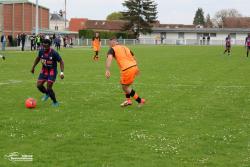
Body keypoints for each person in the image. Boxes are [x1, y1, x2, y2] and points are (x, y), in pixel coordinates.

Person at [105, 37, 145, 107]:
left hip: (127, 69)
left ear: (114, 42)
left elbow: (109, 58)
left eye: (110, 42)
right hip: (133, 66)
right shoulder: (125, 47)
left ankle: (140, 101)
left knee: (125, 87)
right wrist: (136, 67)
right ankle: (128, 100)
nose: (109, 44)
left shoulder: (112, 49)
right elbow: (134, 57)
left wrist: (107, 70)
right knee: (124, 84)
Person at [31, 39, 64, 107]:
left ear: (49, 45)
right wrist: (33, 67)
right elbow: (38, 58)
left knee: (49, 87)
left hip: (52, 71)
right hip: (44, 71)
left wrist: (61, 72)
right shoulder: (41, 51)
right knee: (39, 86)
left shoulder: (54, 53)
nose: (44, 47)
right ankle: (47, 94)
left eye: (46, 46)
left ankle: (55, 102)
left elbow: (61, 61)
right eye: (43, 46)